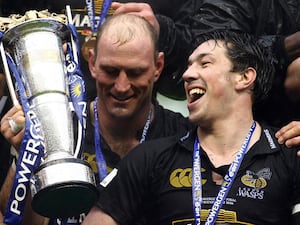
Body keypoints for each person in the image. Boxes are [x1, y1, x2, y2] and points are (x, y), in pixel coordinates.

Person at [82, 30, 300, 225]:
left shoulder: (289, 154)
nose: (187, 75)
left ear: (244, 77)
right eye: (189, 66)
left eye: (204, 64)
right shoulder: (149, 158)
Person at [0, 13, 193, 225]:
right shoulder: (59, 130)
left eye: (135, 72)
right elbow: (19, 221)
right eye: (110, 71)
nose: (121, 86)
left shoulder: (182, 137)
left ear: (158, 67)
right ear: (92, 63)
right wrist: (24, 157)